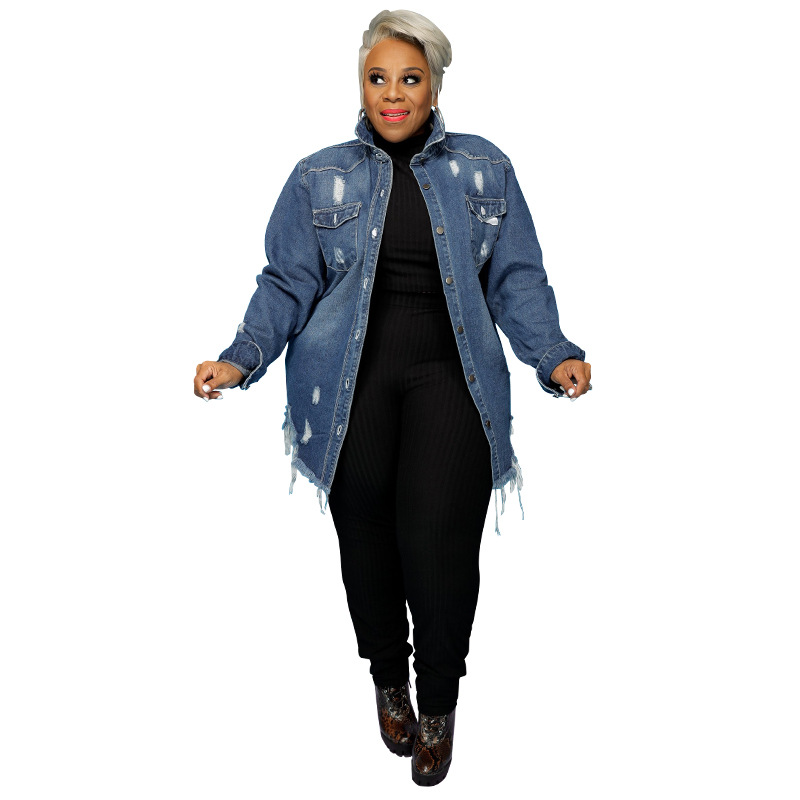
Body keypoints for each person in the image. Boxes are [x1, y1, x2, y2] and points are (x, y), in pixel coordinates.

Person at [193, 9, 592, 786]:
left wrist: (555, 354)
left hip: (452, 379)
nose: (393, 94)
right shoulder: (317, 176)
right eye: (378, 79)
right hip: (349, 388)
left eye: (410, 79)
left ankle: (438, 703)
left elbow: (516, 278)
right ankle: (387, 677)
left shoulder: (484, 167)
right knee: (369, 550)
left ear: (435, 86)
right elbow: (287, 283)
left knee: (439, 552)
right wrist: (241, 358)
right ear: (361, 86)